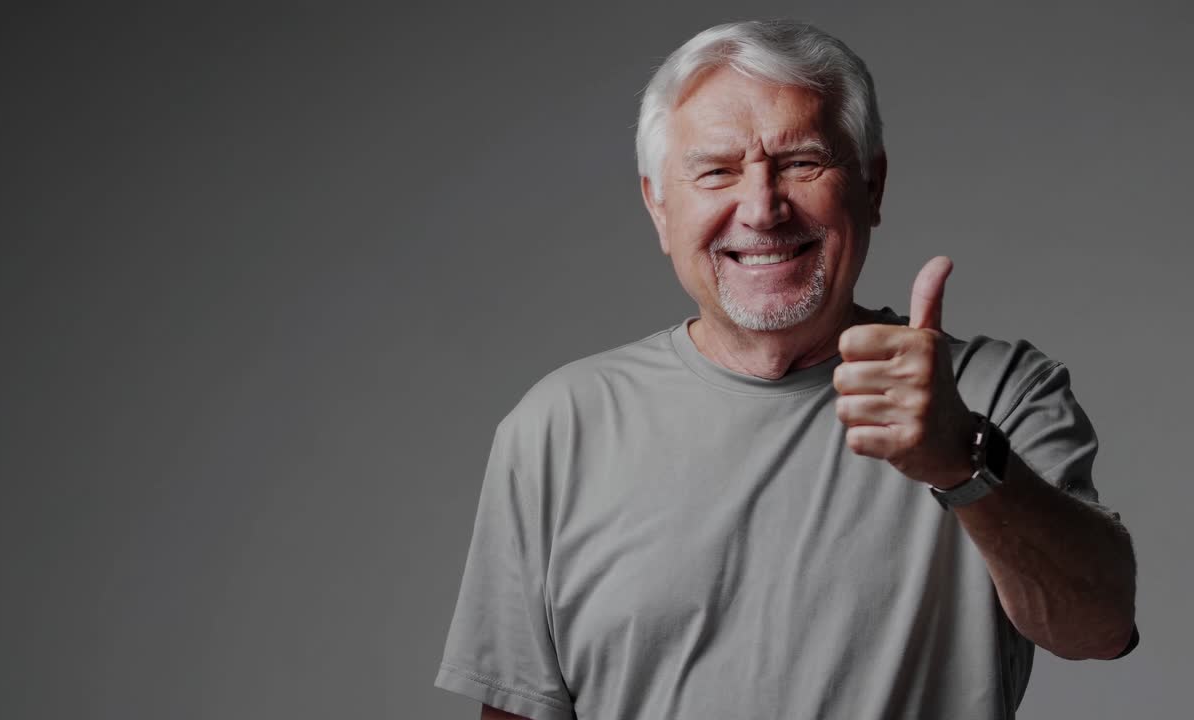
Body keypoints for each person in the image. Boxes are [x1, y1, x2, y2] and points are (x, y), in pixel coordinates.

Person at [433, 19, 1138, 720]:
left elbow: (1097, 630)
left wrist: (964, 461)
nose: (763, 209)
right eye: (716, 171)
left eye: (802, 162)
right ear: (658, 205)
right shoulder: (559, 427)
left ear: (872, 182)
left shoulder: (996, 390)